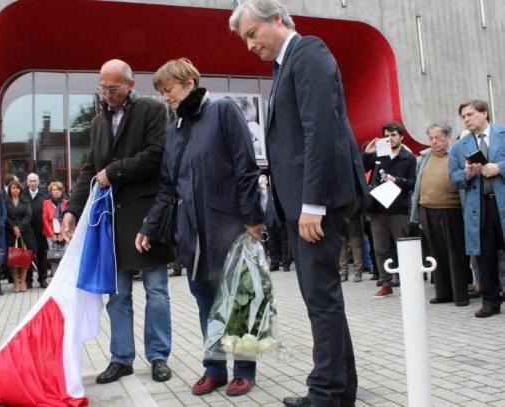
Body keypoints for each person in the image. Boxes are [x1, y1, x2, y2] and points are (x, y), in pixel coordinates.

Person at [230, 1, 367, 406]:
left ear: (278, 19)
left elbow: (320, 131)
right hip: (301, 204)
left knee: (322, 300)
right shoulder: (285, 65)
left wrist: (313, 205)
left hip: (317, 203)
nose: (250, 45)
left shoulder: (308, 52)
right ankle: (338, 390)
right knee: (320, 298)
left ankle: (326, 394)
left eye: (253, 33)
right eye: (244, 40)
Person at [136, 58, 264, 397]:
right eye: (161, 93)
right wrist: (149, 226)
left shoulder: (223, 111)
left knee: (238, 301)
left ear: (189, 82)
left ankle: (245, 369)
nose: (165, 97)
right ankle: (215, 368)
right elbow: (167, 186)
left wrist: (253, 218)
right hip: (191, 233)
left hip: (230, 226)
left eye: (169, 90)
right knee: (206, 302)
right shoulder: (173, 129)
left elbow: (246, 167)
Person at [63, 59, 173, 385]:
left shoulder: (153, 111)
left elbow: (157, 155)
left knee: (156, 290)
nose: (108, 94)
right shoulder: (98, 122)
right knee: (118, 294)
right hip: (111, 220)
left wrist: (114, 171)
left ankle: (158, 357)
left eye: (113, 88)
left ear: (130, 84)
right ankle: (121, 358)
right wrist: (72, 208)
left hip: (146, 216)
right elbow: (89, 170)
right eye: (103, 88)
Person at [449, 99, 505, 318]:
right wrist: (467, 174)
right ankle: (491, 301)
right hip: (479, 207)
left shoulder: (502, 133)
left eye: (470, 114)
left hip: (502, 201)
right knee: (485, 255)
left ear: (484, 113)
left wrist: (499, 168)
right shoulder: (459, 146)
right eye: (464, 117)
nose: (466, 119)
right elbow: (452, 177)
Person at [410, 123, 470, 306]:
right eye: (431, 138)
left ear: (447, 138)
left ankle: (461, 295)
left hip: (451, 210)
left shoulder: (456, 156)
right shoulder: (423, 158)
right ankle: (443, 293)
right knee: (436, 253)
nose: (434, 141)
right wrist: (417, 215)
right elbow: (417, 187)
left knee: (456, 253)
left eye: (438, 137)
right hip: (427, 210)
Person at [362, 122, 417, 297]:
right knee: (380, 248)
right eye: (387, 136)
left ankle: (408, 280)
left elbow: (413, 183)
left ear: (401, 137)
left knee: (403, 246)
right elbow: (360, 169)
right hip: (378, 208)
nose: (390, 139)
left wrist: (397, 180)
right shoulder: (379, 154)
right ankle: (386, 283)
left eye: (393, 135)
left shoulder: (408, 158)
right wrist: (367, 153)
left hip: (398, 209)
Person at [4, 179, 37, 293]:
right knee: (13, 259)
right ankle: (15, 283)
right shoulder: (5, 202)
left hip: (25, 233)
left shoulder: (25, 201)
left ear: (20, 190)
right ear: (9, 190)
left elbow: (28, 216)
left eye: (17, 188)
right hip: (11, 233)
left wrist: (20, 228)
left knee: (24, 258)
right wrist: (13, 227)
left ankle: (23, 282)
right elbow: (5, 217)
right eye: (13, 188)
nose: (15, 190)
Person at [23, 173, 49, 289]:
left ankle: (42, 279)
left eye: (34, 181)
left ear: (38, 182)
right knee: (28, 255)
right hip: (27, 230)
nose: (32, 183)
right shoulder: (22, 194)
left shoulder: (45, 195)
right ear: (27, 182)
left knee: (41, 255)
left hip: (41, 229)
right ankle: (28, 280)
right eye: (30, 181)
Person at [41, 180, 67, 274]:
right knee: (54, 257)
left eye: (59, 189)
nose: (56, 191)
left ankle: (64, 278)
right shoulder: (46, 203)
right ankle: (55, 278)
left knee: (64, 256)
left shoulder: (66, 202)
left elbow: (66, 220)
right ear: (51, 191)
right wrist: (52, 235)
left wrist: (62, 234)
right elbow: (45, 220)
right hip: (50, 234)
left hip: (63, 234)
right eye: (54, 189)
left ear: (62, 191)